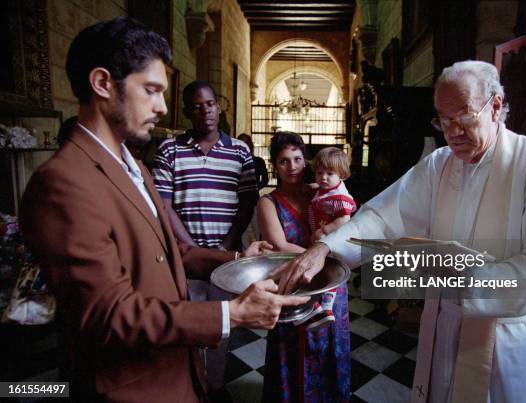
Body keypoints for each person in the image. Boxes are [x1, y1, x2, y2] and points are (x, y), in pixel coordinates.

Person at [18, 18, 308, 403]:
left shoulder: (131, 164)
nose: (163, 107)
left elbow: (174, 251)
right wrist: (231, 315)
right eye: (151, 90)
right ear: (103, 83)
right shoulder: (63, 183)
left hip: (175, 373)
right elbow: (110, 313)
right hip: (130, 386)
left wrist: (239, 259)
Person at [275, 61, 526, 403]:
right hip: (443, 327)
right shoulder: (440, 164)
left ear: (495, 106)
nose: (451, 132)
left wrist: (459, 281)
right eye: (442, 120)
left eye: (462, 117)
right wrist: (325, 248)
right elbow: (384, 217)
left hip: (501, 337)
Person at [152, 81, 260, 396]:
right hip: (184, 259)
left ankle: (212, 387)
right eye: (197, 106)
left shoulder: (239, 151)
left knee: (222, 327)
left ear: (219, 106)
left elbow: (248, 202)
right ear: (186, 111)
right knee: (187, 324)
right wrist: (193, 249)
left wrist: (225, 246)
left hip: (227, 261)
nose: (206, 111)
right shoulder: (169, 150)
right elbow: (163, 204)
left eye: (210, 104)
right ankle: (186, 386)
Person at [256, 132, 351, 402]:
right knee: (294, 354)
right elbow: (280, 245)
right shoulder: (268, 202)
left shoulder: (320, 192)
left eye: (297, 159)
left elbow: (346, 219)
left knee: (328, 352)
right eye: (284, 161)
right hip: (292, 288)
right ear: (275, 165)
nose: (293, 166)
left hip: (329, 286)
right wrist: (325, 257)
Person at [303, 146, 356, 329]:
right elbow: (323, 186)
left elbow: (344, 219)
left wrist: (324, 232)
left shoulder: (340, 196)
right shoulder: (327, 188)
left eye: (329, 173)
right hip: (323, 238)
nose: (323, 177)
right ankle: (316, 304)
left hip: (332, 241)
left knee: (328, 271)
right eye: (319, 173)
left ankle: (326, 305)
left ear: (341, 175)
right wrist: (316, 186)